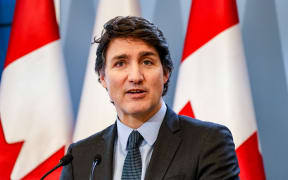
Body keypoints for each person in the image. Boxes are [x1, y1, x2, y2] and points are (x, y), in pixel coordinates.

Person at [60, 16, 240, 180]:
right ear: (103, 77)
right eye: (120, 63)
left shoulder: (209, 143)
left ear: (166, 73)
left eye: (147, 62)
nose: (135, 77)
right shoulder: (79, 158)